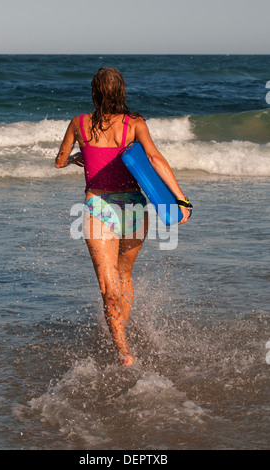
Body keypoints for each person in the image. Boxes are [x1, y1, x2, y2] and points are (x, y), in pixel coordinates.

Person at [55, 68, 191, 367]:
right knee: (122, 276)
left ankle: (120, 346)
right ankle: (122, 343)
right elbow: (154, 159)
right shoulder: (135, 124)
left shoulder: (78, 124)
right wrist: (180, 199)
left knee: (108, 284)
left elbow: (59, 161)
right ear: (122, 92)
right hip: (134, 206)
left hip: (98, 206)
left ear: (93, 93)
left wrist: (77, 158)